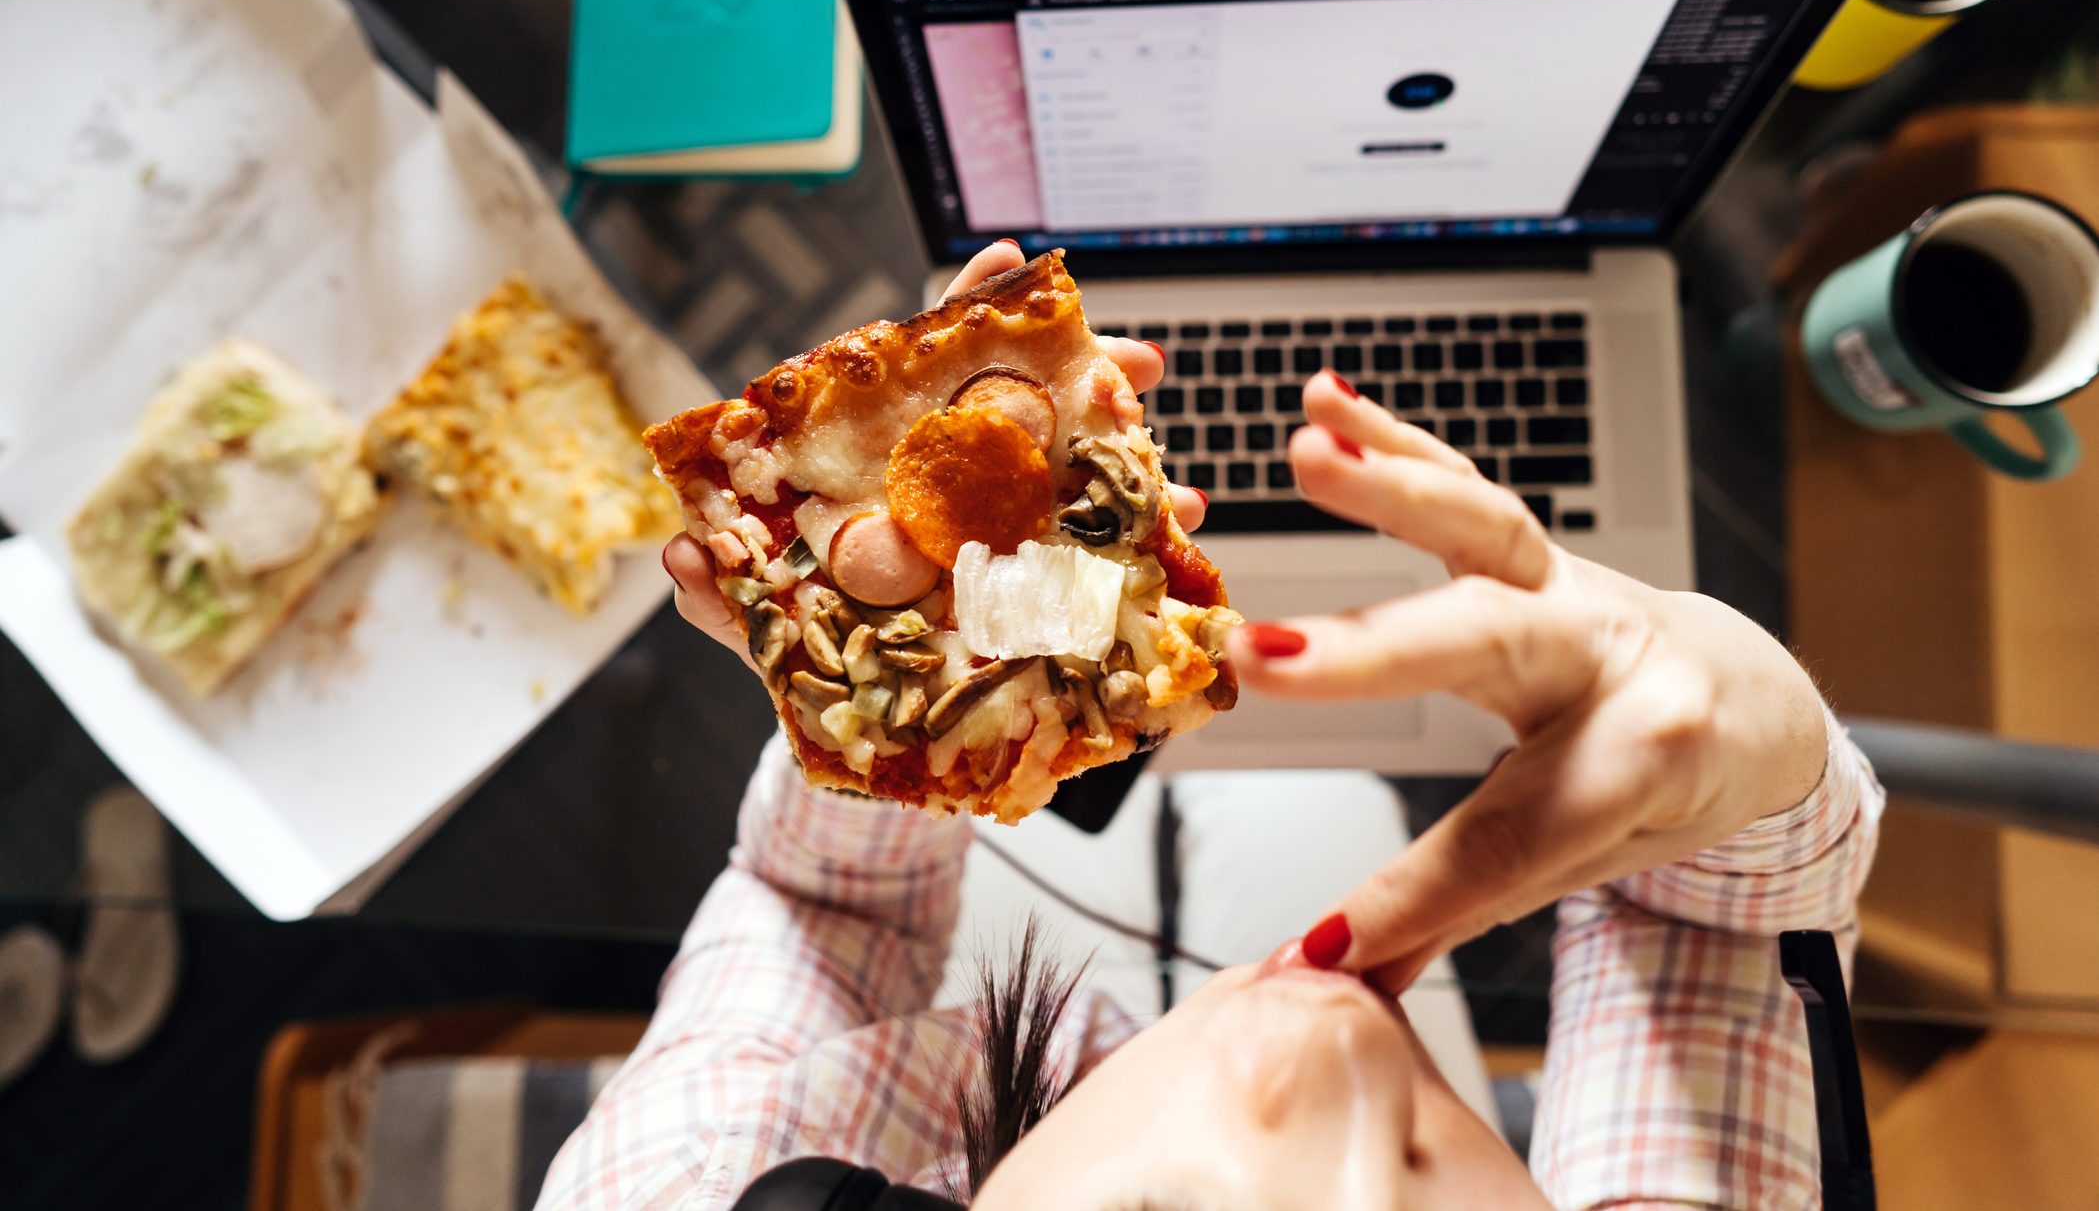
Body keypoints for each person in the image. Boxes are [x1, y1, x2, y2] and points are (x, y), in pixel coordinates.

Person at [537, 242, 1882, 1211]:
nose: (1349, 1070)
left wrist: (886, 706)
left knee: (1260, 814)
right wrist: (1741, 725)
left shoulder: (678, 1183)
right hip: (1223, 909)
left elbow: (819, 915)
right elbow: (1713, 932)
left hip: (1013, 951)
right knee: (1325, 811)